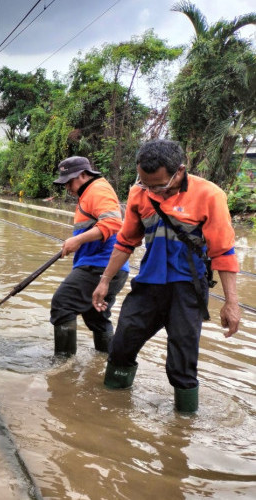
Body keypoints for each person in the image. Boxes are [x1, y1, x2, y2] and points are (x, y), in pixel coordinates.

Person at [92, 139, 241, 413]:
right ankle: (110, 411)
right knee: (122, 345)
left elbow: (224, 252)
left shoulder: (210, 195)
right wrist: (104, 281)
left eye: (159, 185)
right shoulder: (139, 194)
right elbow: (126, 242)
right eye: (145, 184)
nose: (152, 191)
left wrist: (231, 302)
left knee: (182, 362)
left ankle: (183, 427)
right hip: (148, 285)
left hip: (187, 289)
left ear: (180, 171)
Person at [50, 156, 129, 357]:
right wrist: (80, 242)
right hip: (107, 266)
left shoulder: (98, 190)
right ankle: (107, 360)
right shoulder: (87, 194)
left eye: (70, 181)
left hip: (100, 266)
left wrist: (77, 241)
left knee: (63, 303)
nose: (67, 186)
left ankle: (64, 365)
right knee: (96, 316)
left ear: (84, 175)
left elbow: (113, 222)